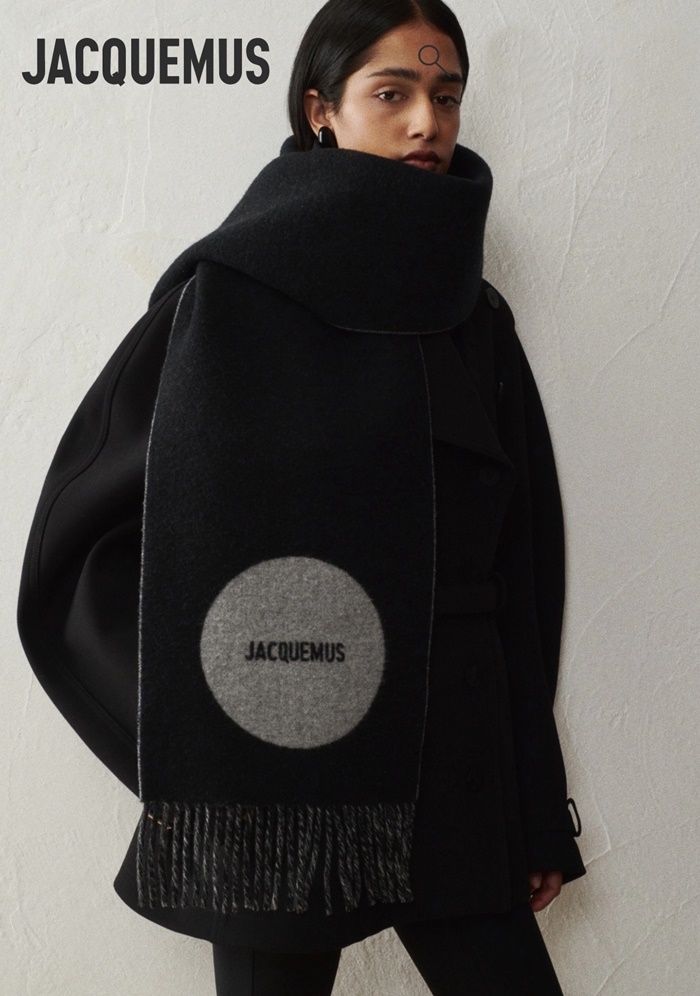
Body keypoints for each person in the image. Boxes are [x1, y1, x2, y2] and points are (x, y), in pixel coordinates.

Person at [17, 0, 586, 993]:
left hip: (457, 759)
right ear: (321, 110)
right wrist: (202, 744)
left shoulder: (473, 317)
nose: (427, 121)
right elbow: (83, 540)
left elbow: (521, 570)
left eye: (446, 95)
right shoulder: (228, 297)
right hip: (274, 770)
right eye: (392, 92)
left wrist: (536, 808)